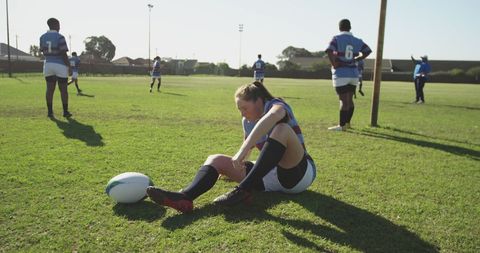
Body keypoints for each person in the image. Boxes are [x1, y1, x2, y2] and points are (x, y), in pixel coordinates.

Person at [146, 81, 316, 213]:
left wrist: (242, 150)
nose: (242, 113)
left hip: (298, 175)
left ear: (259, 101)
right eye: (239, 109)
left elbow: (273, 117)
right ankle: (185, 197)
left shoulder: (276, 105)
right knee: (216, 159)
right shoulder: (247, 122)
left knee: (281, 129)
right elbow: (248, 153)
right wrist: (235, 167)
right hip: (268, 178)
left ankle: (243, 190)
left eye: (244, 108)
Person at [325, 19, 371, 131]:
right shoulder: (357, 40)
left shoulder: (336, 38)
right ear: (350, 28)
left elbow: (329, 50)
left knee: (343, 101)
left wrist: (334, 64)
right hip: (354, 74)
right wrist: (358, 58)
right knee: (350, 100)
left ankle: (341, 126)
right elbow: (367, 50)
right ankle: (348, 123)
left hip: (341, 74)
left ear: (339, 27)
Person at [39, 18, 72, 118]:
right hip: (60, 65)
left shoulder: (42, 37)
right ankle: (65, 112)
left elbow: (42, 51)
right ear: (56, 25)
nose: (60, 27)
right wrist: (69, 66)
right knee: (63, 90)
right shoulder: (60, 37)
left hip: (48, 64)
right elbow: (63, 53)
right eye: (59, 25)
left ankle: (50, 112)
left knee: (49, 89)